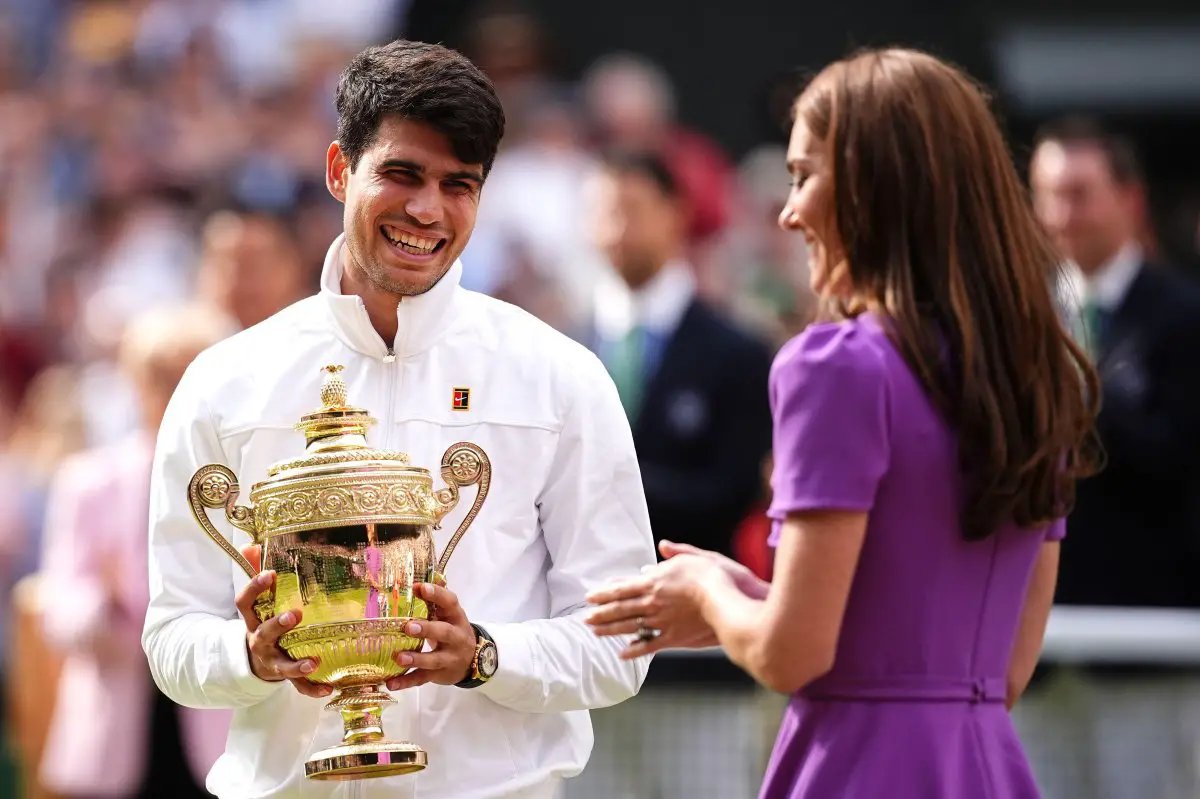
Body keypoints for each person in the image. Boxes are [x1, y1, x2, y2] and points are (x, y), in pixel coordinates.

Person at [142, 40, 656, 799]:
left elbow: (624, 641)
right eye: (402, 174)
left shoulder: (558, 376)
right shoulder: (225, 381)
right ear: (338, 170)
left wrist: (482, 654)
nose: (427, 210)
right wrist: (249, 657)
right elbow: (171, 637)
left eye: (459, 185)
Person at [585, 47, 1101, 798]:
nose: (789, 211)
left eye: (802, 176)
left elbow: (789, 655)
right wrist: (754, 595)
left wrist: (705, 591)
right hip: (985, 766)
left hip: (856, 770)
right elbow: (995, 666)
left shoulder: (834, 365)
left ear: (872, 185)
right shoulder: (1031, 369)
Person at [1015, 116, 1200, 799]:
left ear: (1131, 199)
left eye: (1080, 192)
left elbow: (1174, 460)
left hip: (1146, 643)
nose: (1063, 214)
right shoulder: (1015, 319)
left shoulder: (1184, 317)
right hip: (1032, 643)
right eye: (1049, 194)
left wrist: (1076, 386)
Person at [39, 303, 236, 799]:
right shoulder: (89, 481)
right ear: (135, 382)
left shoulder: (243, 483)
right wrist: (101, 609)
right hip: (118, 723)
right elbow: (58, 604)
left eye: (188, 377)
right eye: (160, 378)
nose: (172, 393)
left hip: (216, 722)